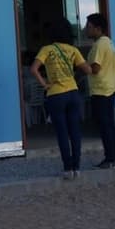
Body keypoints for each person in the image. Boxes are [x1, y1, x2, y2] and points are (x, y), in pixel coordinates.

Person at [30, 18, 91, 179]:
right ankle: (77, 167)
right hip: (73, 93)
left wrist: (45, 84)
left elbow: (34, 69)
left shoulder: (47, 49)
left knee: (62, 133)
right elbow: (87, 70)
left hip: (56, 95)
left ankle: (67, 169)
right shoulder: (73, 50)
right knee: (75, 132)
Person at [84, 13, 115, 169]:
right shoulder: (109, 42)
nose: (86, 29)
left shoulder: (99, 45)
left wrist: (81, 66)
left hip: (101, 91)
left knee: (105, 125)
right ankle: (114, 157)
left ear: (98, 29)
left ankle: (110, 158)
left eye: (89, 26)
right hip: (110, 88)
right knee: (110, 124)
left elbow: (95, 68)